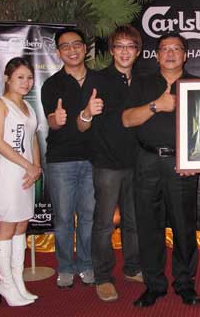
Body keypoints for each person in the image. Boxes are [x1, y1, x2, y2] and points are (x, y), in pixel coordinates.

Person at [122, 32, 200, 308]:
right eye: (164, 49)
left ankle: (185, 284)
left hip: (183, 165)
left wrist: (196, 160)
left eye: (176, 49)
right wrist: (157, 105)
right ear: (156, 56)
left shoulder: (197, 86)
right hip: (147, 161)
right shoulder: (142, 84)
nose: (170, 53)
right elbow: (127, 120)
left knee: (184, 226)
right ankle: (154, 285)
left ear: (185, 55)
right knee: (148, 225)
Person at [77, 25, 143, 302]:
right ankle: (103, 277)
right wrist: (87, 113)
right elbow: (80, 126)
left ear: (137, 52)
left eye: (130, 46)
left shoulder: (144, 81)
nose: (125, 51)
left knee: (134, 222)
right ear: (112, 50)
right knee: (103, 224)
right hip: (106, 164)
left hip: (138, 162)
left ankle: (133, 267)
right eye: (119, 46)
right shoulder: (97, 80)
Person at [41, 28, 97, 288]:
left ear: (85, 48)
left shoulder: (100, 80)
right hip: (61, 160)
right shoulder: (52, 84)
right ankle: (65, 266)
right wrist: (56, 119)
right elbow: (51, 120)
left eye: (77, 44)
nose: (72, 50)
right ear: (58, 52)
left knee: (88, 217)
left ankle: (85, 264)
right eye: (65, 46)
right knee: (63, 219)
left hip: (95, 159)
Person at [0, 57, 40, 306]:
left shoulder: (28, 107)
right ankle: (5, 283)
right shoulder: (0, 104)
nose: (26, 82)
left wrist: (37, 168)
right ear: (7, 79)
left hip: (27, 173)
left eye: (29, 77)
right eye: (20, 77)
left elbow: (33, 138)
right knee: (7, 226)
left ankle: (17, 280)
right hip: (9, 173)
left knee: (22, 224)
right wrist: (27, 166)